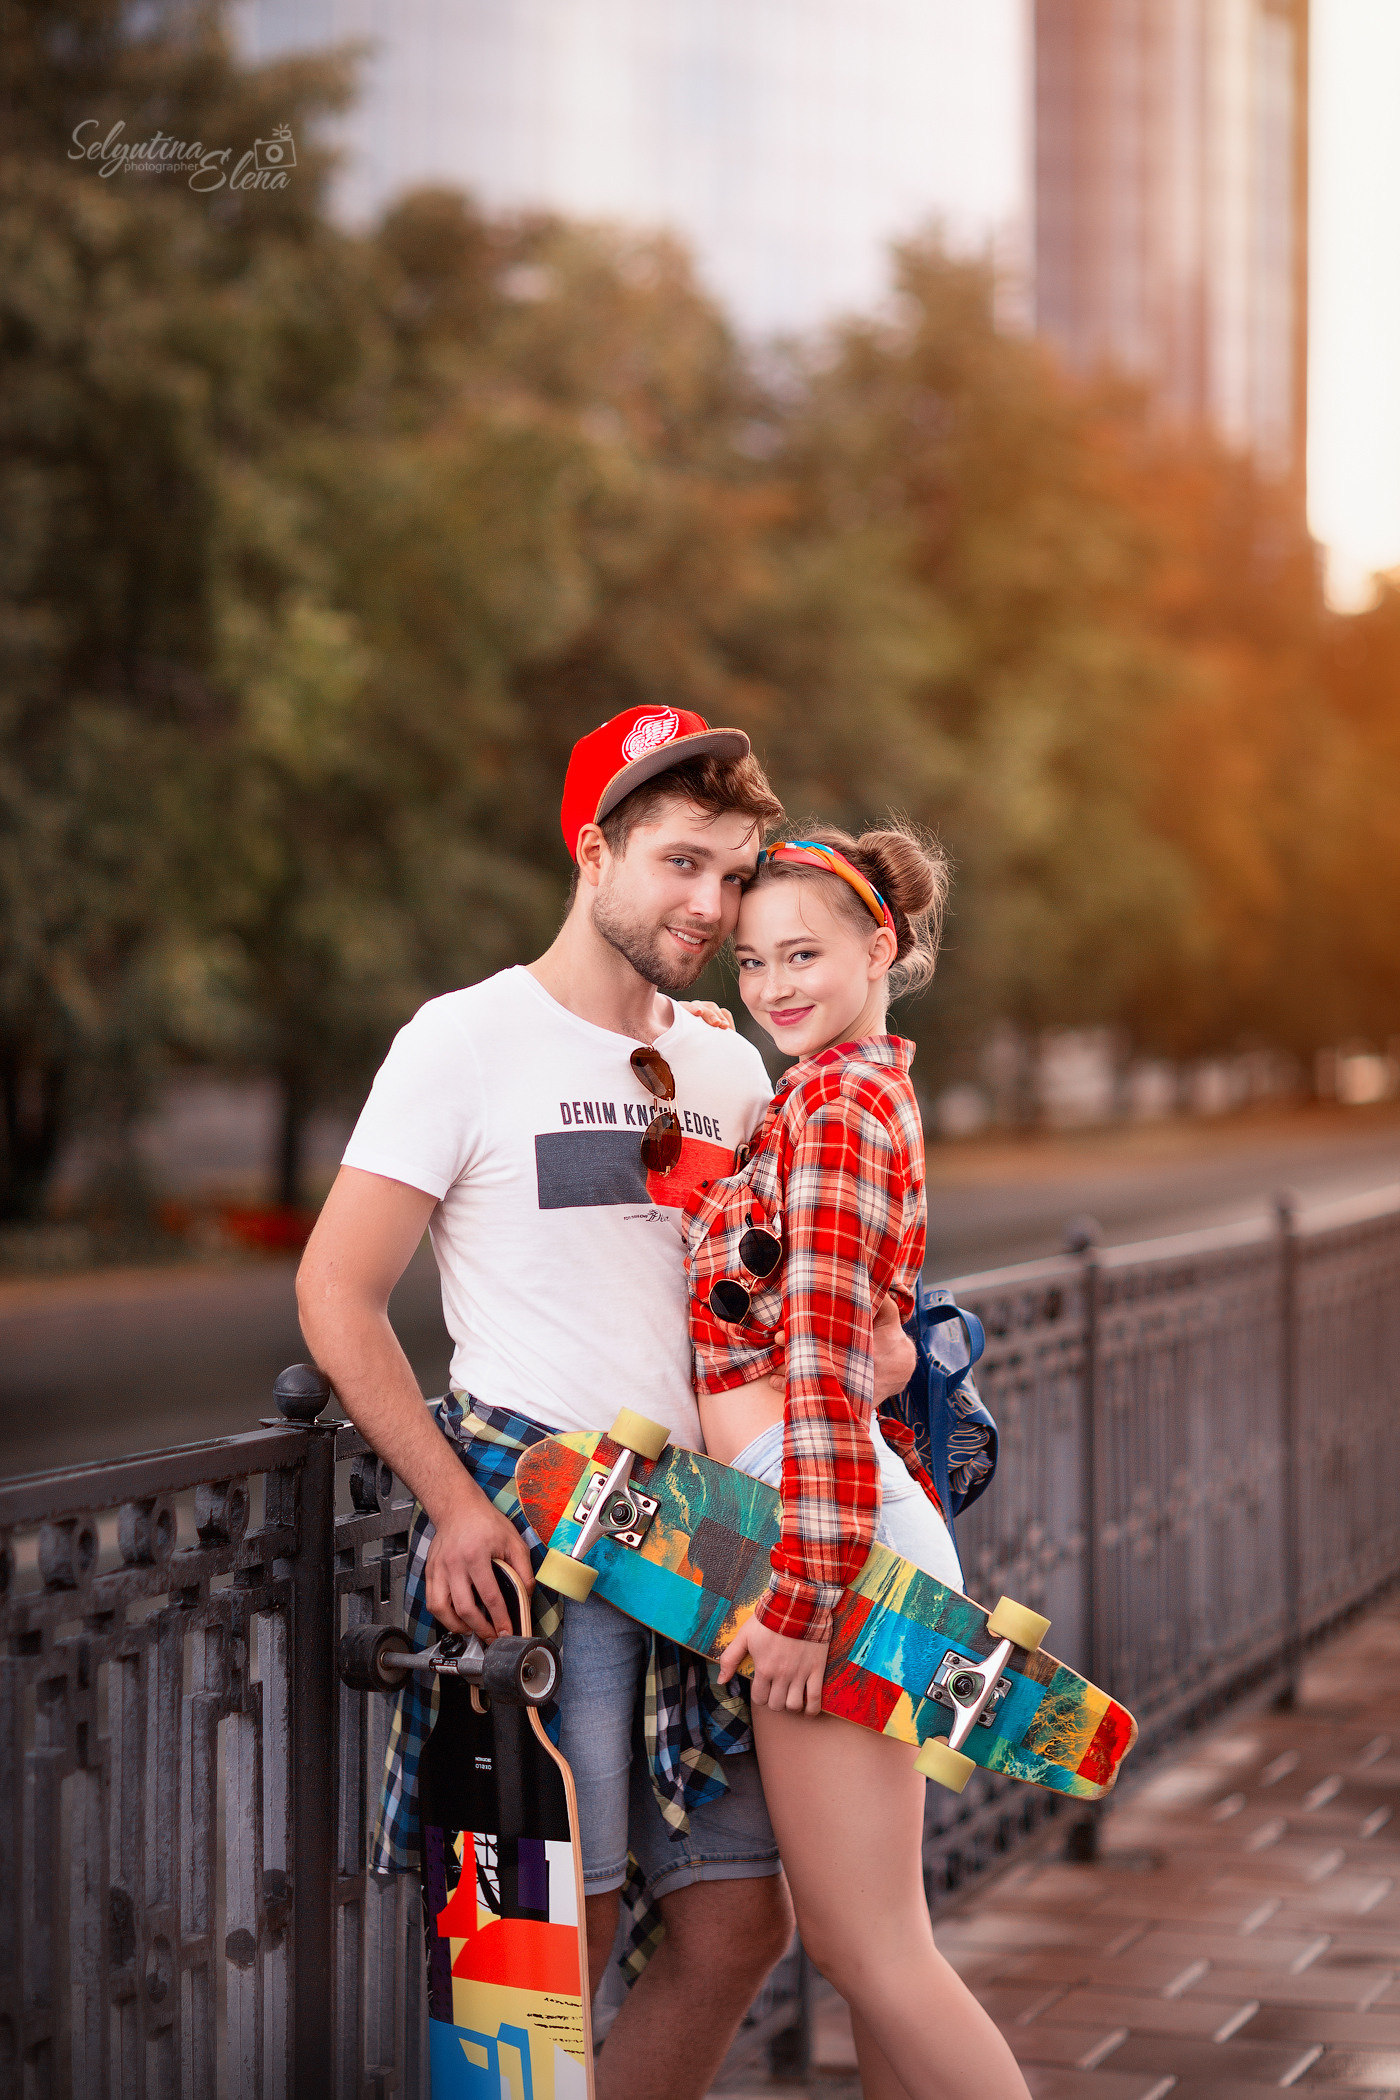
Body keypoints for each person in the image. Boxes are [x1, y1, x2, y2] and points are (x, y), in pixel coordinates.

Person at [296, 709, 917, 2100]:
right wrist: (450, 1504)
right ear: (594, 853)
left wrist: (880, 1353)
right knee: (535, 1962)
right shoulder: (461, 1041)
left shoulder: (729, 1062)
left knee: (740, 1919)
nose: (711, 903)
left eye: (734, 873)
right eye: (681, 864)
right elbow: (336, 1296)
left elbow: (775, 1295)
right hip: (543, 1547)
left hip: (716, 1554)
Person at [686, 827, 1032, 2100]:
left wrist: (799, 1597)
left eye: (803, 954)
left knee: (868, 1948)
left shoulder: (831, 1110)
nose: (772, 987)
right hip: (828, 1516)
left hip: (824, 1536)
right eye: (751, 962)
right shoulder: (838, 1089)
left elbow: (827, 1369)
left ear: (878, 947)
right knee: (881, 1948)